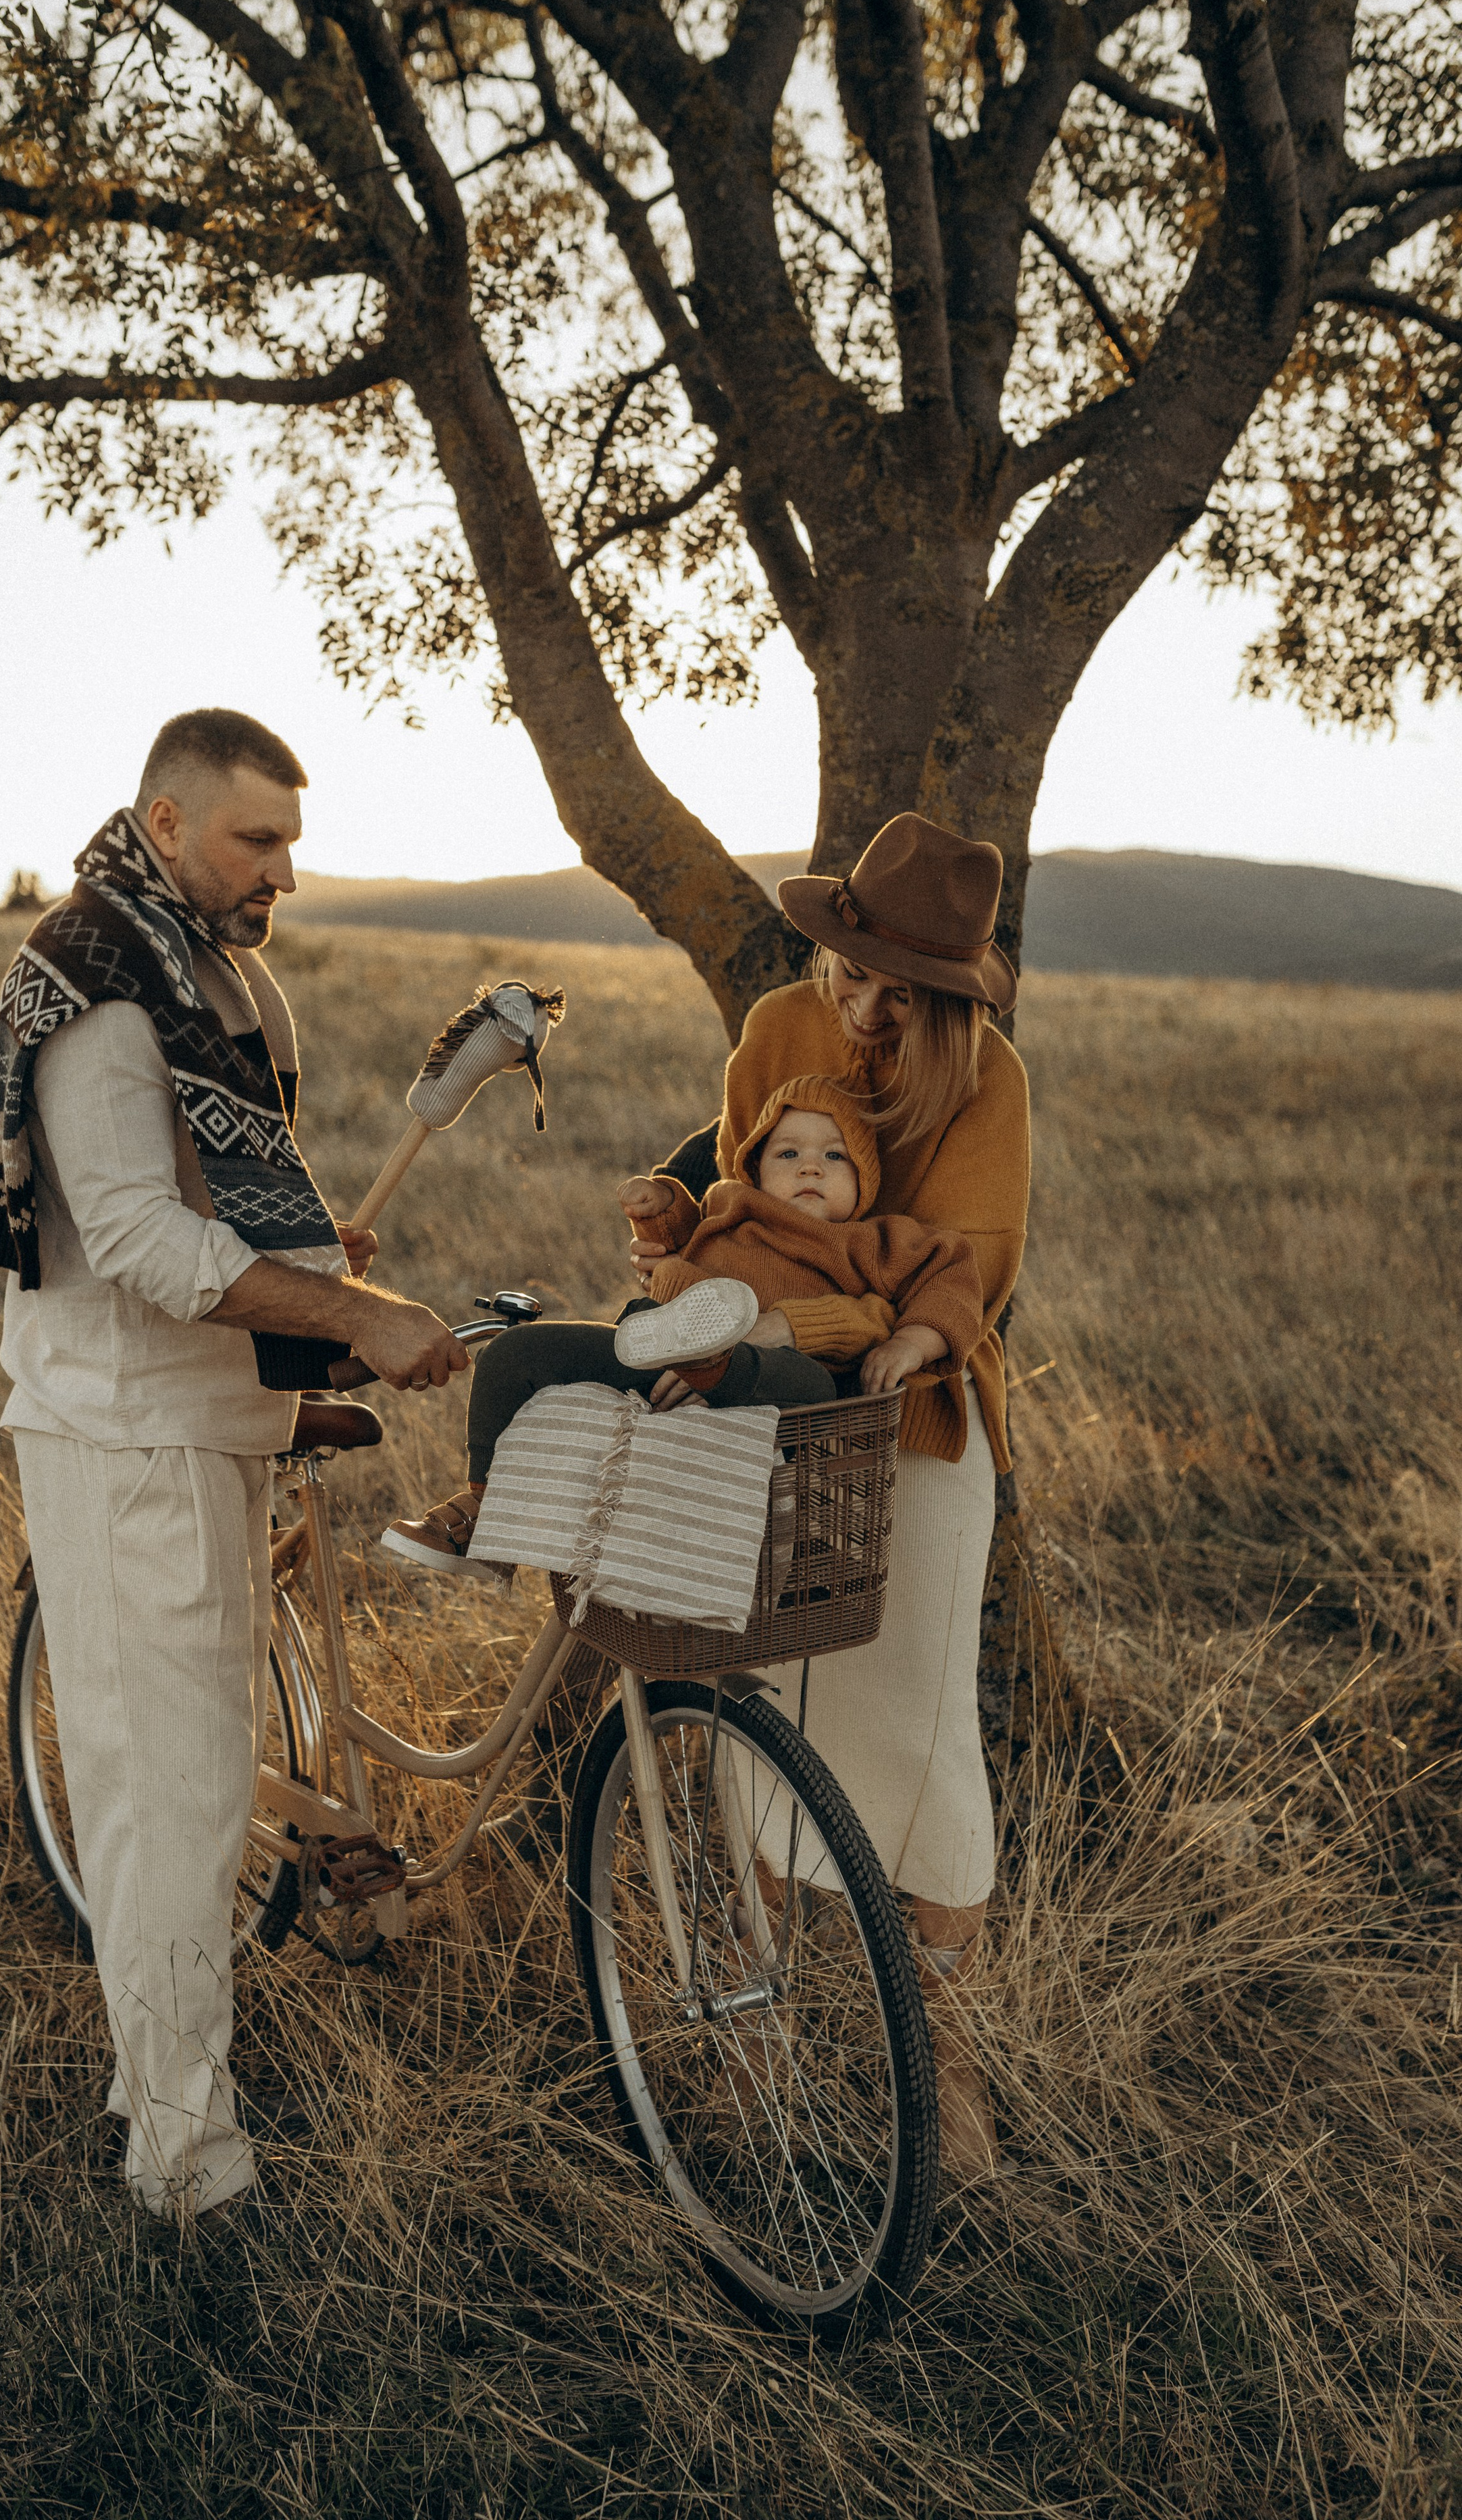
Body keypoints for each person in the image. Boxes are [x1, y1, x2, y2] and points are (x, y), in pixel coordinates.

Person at [0, 707, 471, 2220]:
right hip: (128, 1441)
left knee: (174, 1793)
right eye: (257, 840)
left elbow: (208, 1207)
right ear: (168, 824)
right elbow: (127, 1237)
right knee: (169, 1805)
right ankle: (185, 2173)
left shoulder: (200, 968)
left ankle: (155, 2105)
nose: (284, 874)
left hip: (199, 1423)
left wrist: (316, 1256)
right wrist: (356, 1312)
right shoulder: (105, 983)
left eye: (293, 844)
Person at [634, 814, 1031, 2183]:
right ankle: (753, 2041)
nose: (863, 1007)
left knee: (921, 1736)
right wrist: (682, 1244)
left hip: (910, 1431)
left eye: (901, 994)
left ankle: (948, 2066)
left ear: (950, 1000)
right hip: (762, 1413)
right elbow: (747, 1201)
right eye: (850, 970)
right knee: (752, 1711)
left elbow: (965, 1277)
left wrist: (843, 1320)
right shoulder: (769, 1037)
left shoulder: (988, 1087)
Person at [379, 1076, 982, 1572]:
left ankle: (709, 1358)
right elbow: (676, 1247)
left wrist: (910, 1340)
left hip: (777, 1391)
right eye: (788, 1154)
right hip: (661, 1360)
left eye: (834, 1155)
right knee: (516, 1352)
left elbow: (953, 1278)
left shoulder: (875, 1241)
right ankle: (488, 1516)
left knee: (803, 1381)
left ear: (866, 1178)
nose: (810, 1170)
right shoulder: (730, 1211)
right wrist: (659, 1209)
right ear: (756, 1169)